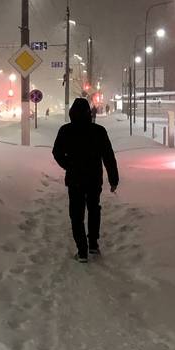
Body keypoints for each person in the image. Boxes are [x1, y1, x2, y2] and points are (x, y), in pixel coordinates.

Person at [52, 98, 119, 263]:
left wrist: (68, 165)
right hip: (94, 178)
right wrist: (113, 179)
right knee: (94, 209)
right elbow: (108, 156)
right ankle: (93, 244)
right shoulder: (98, 131)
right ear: (89, 113)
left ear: (71, 113)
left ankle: (82, 251)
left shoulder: (66, 131)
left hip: (75, 178)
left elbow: (57, 152)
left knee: (76, 213)